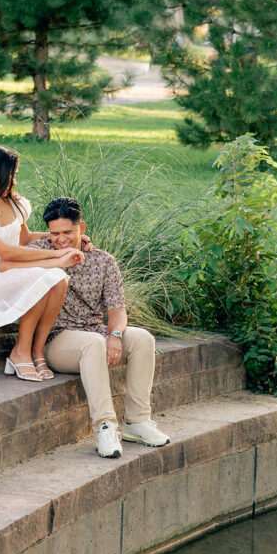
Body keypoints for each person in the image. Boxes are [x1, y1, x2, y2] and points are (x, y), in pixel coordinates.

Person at [27, 196, 170, 458]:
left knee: (142, 339)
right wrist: (56, 255)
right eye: (54, 233)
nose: (61, 239)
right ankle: (105, 427)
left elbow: (117, 311)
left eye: (68, 232)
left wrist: (115, 335)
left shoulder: (104, 261)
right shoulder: (39, 251)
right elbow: (9, 249)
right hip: (57, 340)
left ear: (82, 227)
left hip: (95, 332)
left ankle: (137, 422)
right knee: (93, 343)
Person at [0, 145, 85, 382]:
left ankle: (36, 351)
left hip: (11, 272)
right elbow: (5, 251)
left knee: (59, 278)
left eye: (15, 175)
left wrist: (66, 239)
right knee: (44, 276)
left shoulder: (15, 203)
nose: (13, 181)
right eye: (10, 175)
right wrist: (55, 257)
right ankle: (19, 351)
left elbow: (24, 240)